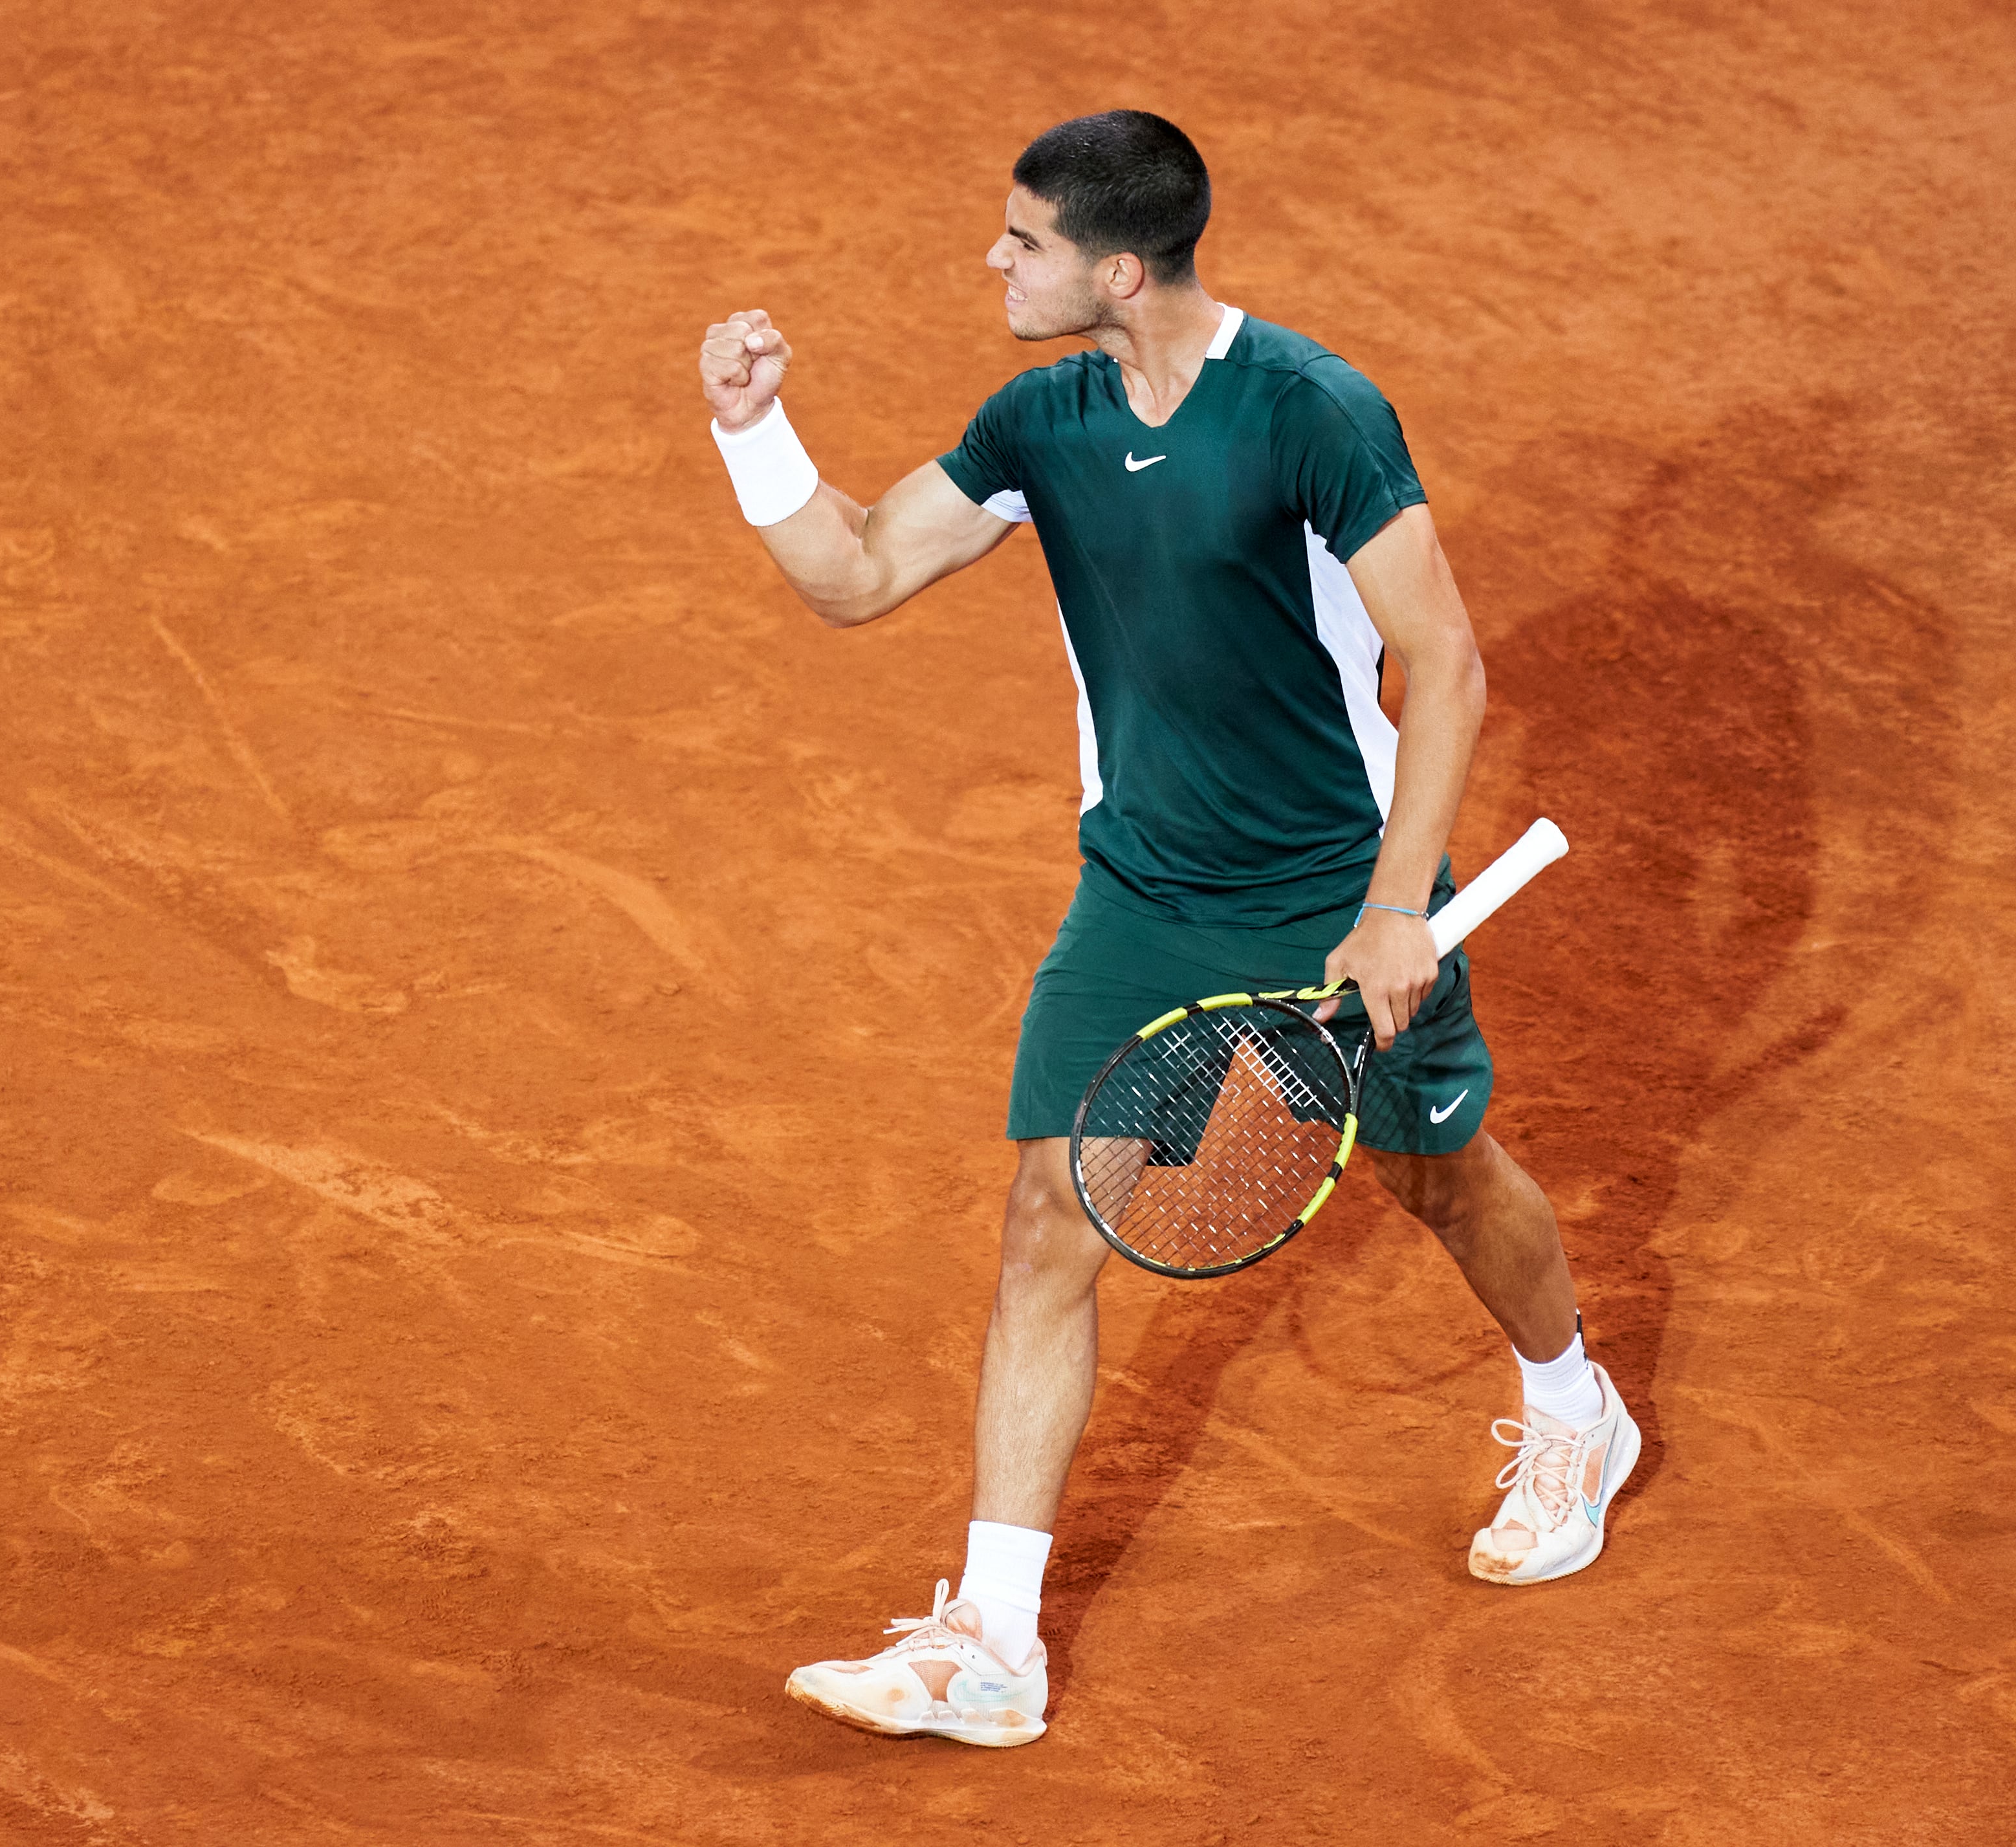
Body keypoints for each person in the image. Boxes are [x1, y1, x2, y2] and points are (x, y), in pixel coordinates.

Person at [696, 110, 1637, 1750]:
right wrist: (755, 434)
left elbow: (1450, 666)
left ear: (1117, 272)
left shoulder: (1310, 415)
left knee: (1440, 1178)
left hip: (1326, 890)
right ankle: (992, 1643)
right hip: (1139, 887)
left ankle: (1574, 1405)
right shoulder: (1038, 418)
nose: (994, 262)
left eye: (1023, 243)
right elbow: (852, 576)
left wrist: (1395, 906)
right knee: (1051, 1215)